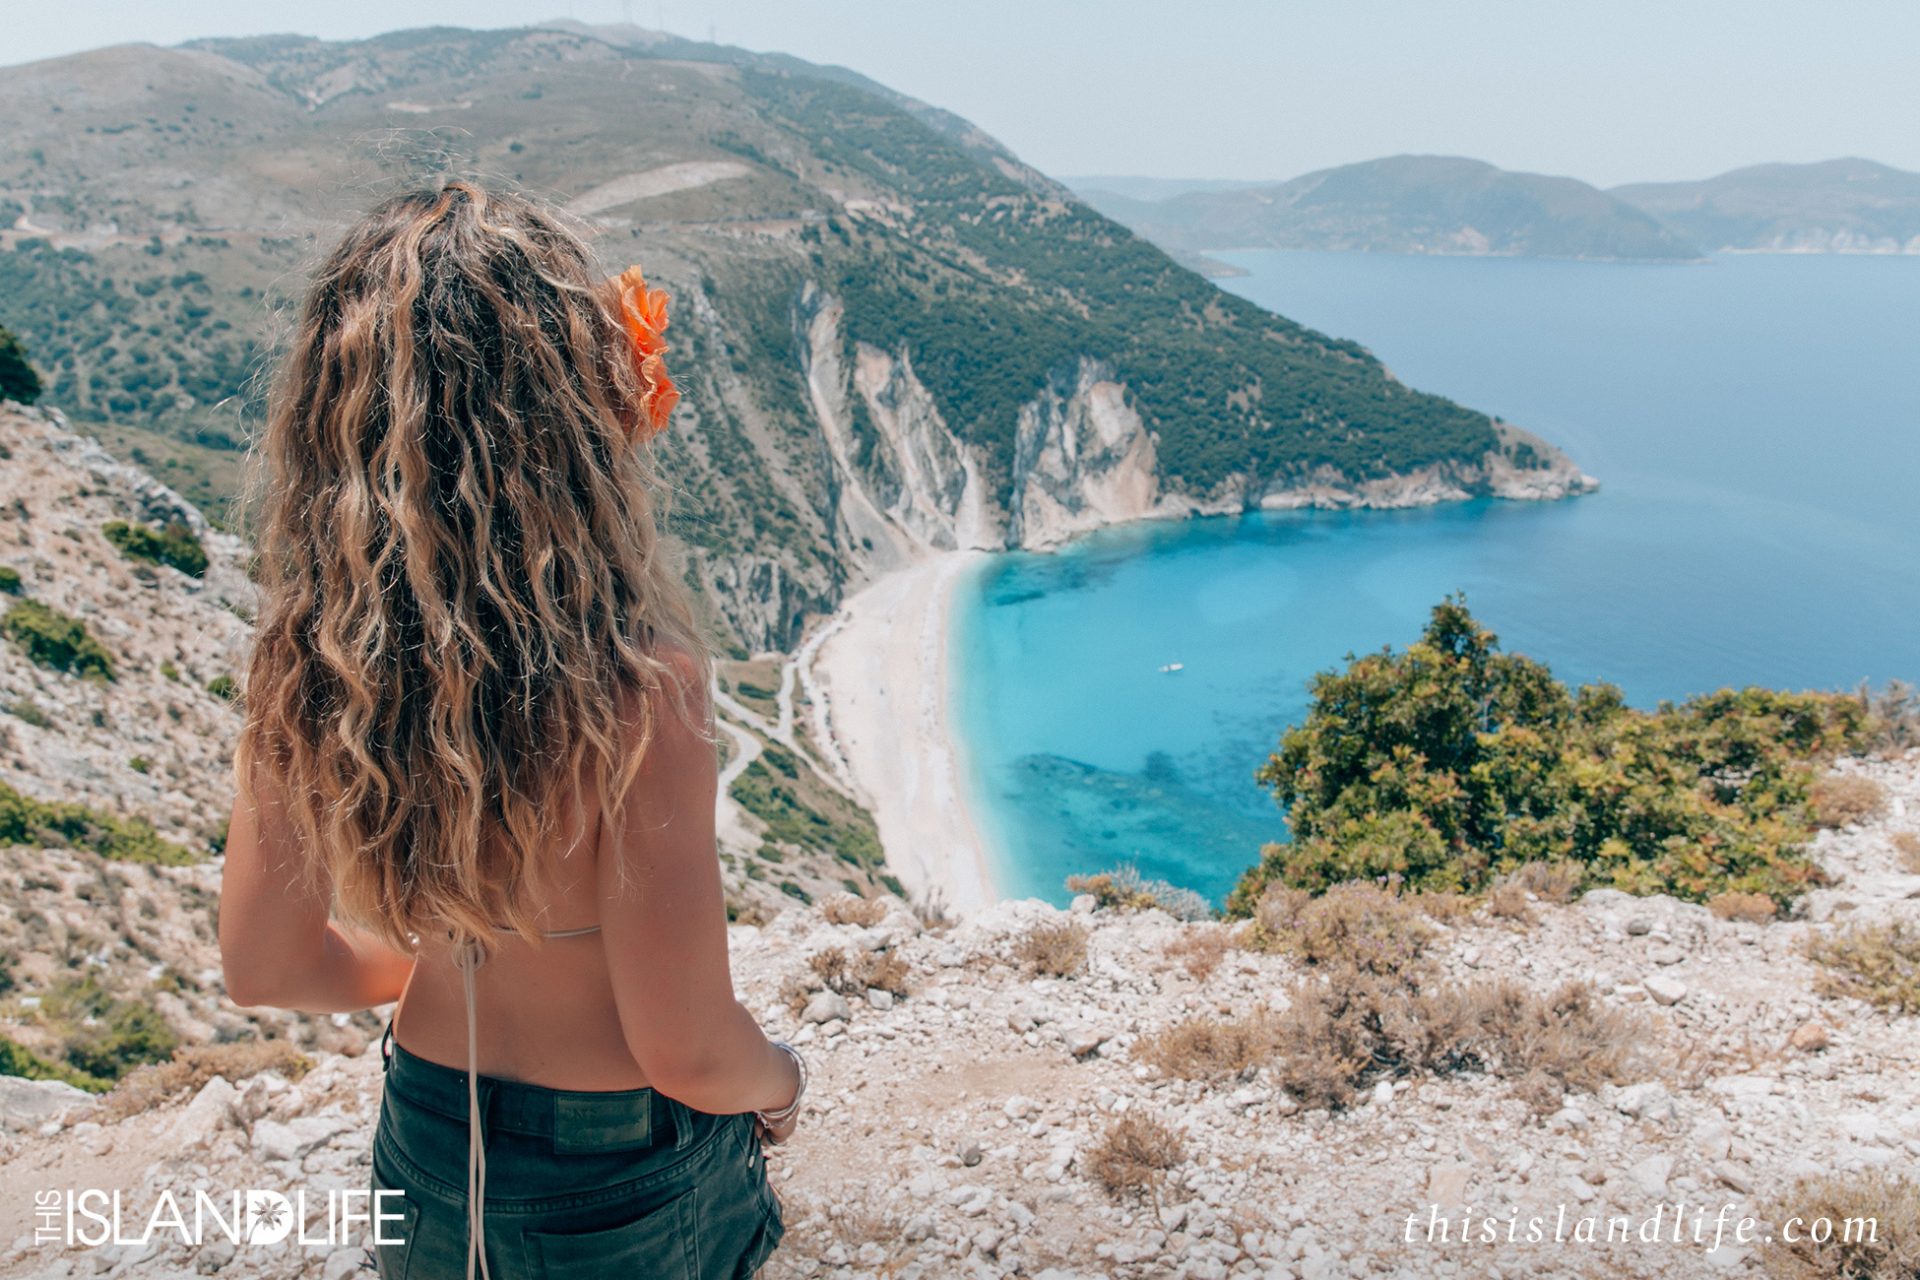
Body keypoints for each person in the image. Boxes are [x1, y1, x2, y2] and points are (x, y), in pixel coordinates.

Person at [218, 179, 798, 1279]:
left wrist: (434, 948)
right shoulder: (636, 691)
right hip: (614, 1168)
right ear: (573, 419)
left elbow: (263, 965)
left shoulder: (307, 658)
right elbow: (687, 1050)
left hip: (426, 1133)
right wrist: (784, 1080)